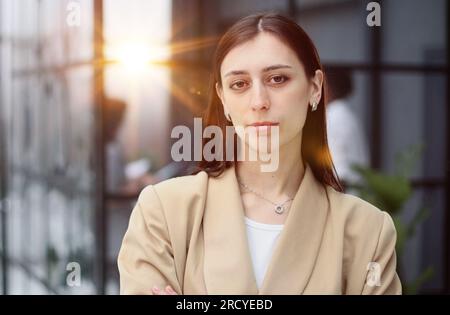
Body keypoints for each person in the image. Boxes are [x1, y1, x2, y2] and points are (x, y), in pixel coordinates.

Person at [118, 13, 402, 295]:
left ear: (315, 88)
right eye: (239, 84)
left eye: (277, 79)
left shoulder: (368, 231)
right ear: (223, 100)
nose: (259, 102)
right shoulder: (163, 212)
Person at [325, 68, 370, 188]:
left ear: (328, 87)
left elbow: (340, 170)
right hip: (353, 192)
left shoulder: (333, 116)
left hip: (342, 194)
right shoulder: (344, 114)